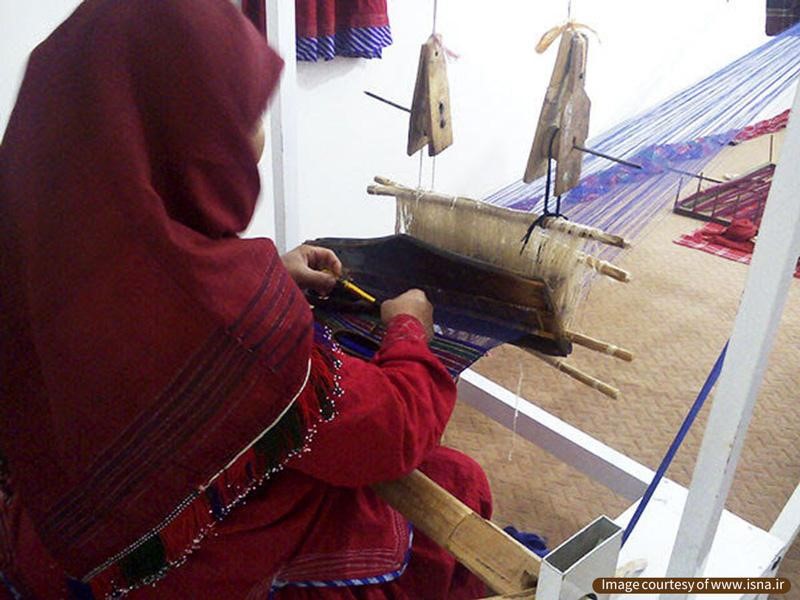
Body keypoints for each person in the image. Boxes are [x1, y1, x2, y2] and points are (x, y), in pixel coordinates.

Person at [0, 0, 491, 598]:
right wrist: (409, 330)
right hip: (157, 572)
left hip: (44, 540)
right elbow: (389, 434)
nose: (255, 140)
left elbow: (142, 319)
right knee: (456, 480)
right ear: (183, 136)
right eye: (239, 115)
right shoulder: (235, 325)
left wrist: (270, 278)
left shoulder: (35, 241)